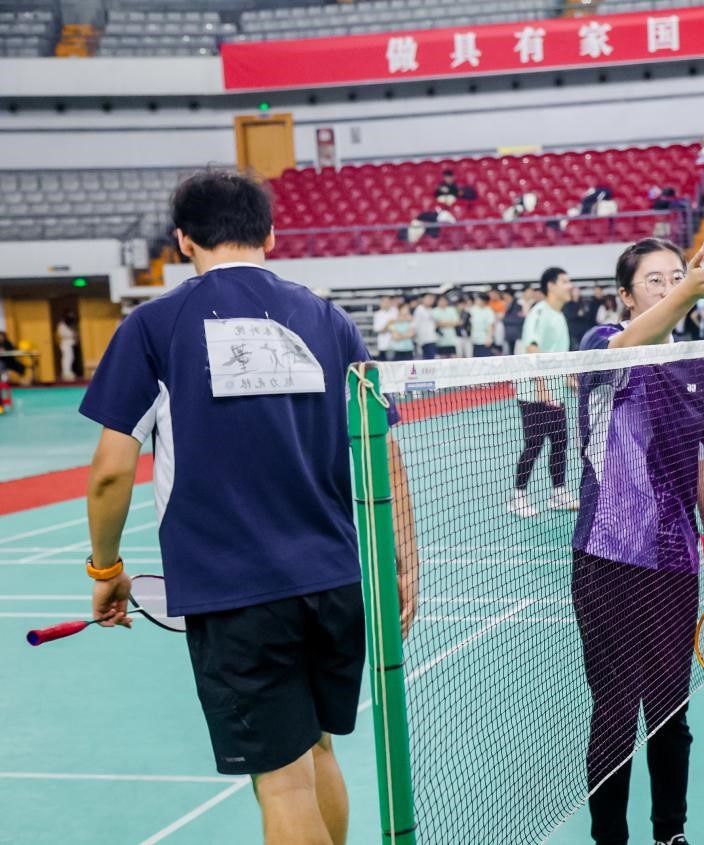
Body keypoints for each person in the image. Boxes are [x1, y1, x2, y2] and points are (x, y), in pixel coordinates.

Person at [77, 170, 417, 845]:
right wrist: (400, 564)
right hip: (334, 580)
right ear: (271, 234)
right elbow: (382, 452)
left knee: (281, 783)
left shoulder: (154, 325)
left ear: (182, 240)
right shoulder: (330, 321)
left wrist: (105, 569)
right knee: (317, 750)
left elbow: (111, 473)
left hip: (236, 592)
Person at [572, 238, 704, 845]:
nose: (668, 288)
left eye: (675, 277)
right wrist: (691, 288)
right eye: (654, 281)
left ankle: (671, 834)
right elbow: (625, 347)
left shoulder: (693, 362)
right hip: (607, 558)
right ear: (626, 296)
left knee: (670, 710)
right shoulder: (603, 344)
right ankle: (609, 838)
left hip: (675, 560)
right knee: (616, 710)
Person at [510, 267, 579, 518]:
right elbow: (532, 349)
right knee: (534, 445)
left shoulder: (559, 315)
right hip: (534, 394)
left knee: (560, 442)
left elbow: (557, 354)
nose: (570, 286)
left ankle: (558, 494)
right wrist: (541, 387)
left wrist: (569, 379)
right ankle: (518, 497)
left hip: (555, 392)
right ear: (551, 285)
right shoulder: (539, 312)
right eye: (565, 281)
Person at [468, 292, 497, 358]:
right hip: (474, 339)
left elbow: (491, 325)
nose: (476, 300)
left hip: (484, 340)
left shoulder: (488, 311)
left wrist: (489, 337)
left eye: (478, 299)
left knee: (485, 358)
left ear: (483, 301)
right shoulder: (472, 310)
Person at [411, 292, 438, 360]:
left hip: (431, 338)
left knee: (431, 359)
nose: (430, 300)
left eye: (432, 299)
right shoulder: (419, 309)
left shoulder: (431, 310)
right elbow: (415, 324)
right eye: (428, 298)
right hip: (422, 339)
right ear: (423, 299)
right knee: (424, 360)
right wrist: (414, 336)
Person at [372, 296, 397, 361]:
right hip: (383, 345)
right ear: (381, 303)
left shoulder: (395, 311)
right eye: (385, 302)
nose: (387, 304)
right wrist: (387, 325)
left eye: (388, 302)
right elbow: (378, 330)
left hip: (395, 345)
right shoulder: (377, 314)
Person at [56, 311, 78, 382]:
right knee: (66, 358)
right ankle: (65, 372)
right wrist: (73, 334)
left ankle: (68, 371)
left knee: (71, 358)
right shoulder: (61, 325)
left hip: (70, 344)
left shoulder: (70, 325)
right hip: (65, 344)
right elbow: (62, 334)